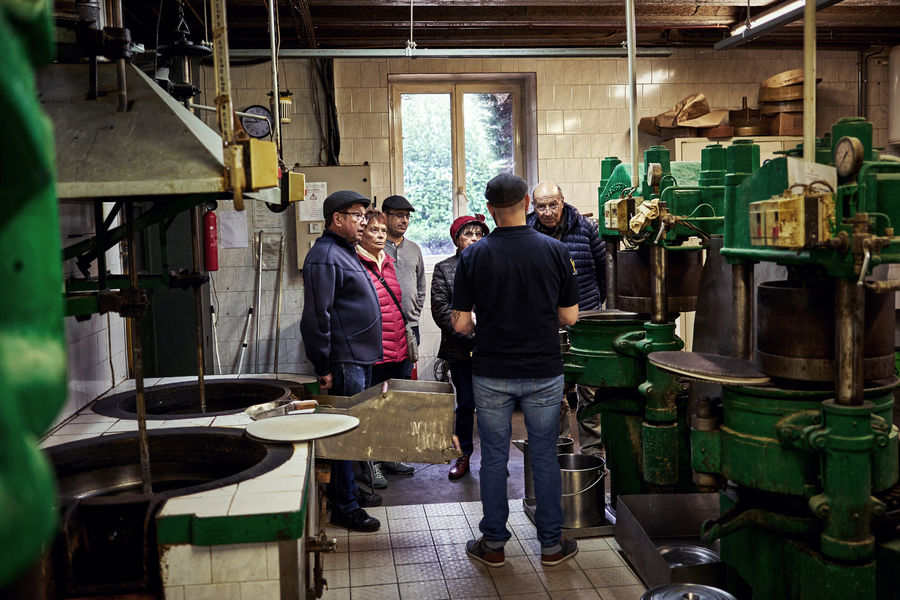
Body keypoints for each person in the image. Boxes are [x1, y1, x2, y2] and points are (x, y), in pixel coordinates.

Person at [452, 173, 580, 567]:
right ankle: (552, 545)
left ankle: (493, 545)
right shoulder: (555, 251)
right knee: (544, 455)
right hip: (543, 369)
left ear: (489, 209)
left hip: (491, 370)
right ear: (527, 203)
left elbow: (459, 324)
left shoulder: (473, 255)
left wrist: (479, 324)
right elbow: (570, 317)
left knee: (492, 457)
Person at [300, 190, 383, 532]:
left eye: (365, 215)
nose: (364, 221)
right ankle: (344, 506)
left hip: (357, 357)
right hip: (344, 360)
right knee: (344, 434)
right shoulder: (324, 256)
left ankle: (347, 490)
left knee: (352, 429)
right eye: (358, 215)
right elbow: (317, 318)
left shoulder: (344, 252)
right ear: (337, 218)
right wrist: (323, 367)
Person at [528, 181, 607, 457]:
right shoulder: (528, 232)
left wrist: (590, 306)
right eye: (541, 206)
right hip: (545, 325)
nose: (548, 211)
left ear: (563, 201)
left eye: (553, 204)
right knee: (554, 391)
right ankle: (560, 448)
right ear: (533, 207)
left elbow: (603, 272)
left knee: (589, 390)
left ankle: (593, 452)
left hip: (584, 322)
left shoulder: (586, 229)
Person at [431, 214, 490, 480]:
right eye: (468, 234)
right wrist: (471, 327)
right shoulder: (444, 269)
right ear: (457, 239)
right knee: (465, 405)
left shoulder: (495, 264)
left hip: (492, 350)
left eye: (480, 234)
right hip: (459, 350)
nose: (475, 239)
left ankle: (492, 459)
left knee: (493, 406)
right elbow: (441, 310)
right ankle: (463, 455)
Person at [356, 209, 410, 490]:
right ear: (361, 233)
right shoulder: (356, 263)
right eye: (373, 231)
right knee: (371, 409)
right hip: (373, 350)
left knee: (392, 407)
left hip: (397, 347)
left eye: (382, 231)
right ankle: (370, 462)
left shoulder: (387, 262)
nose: (379, 235)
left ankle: (389, 456)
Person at [380, 194, 424, 476]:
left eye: (407, 216)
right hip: (382, 330)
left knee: (400, 393)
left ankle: (392, 455)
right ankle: (373, 459)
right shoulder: (373, 244)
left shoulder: (414, 249)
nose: (403, 220)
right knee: (378, 394)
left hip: (409, 328)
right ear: (384, 216)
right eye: (397, 215)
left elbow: (420, 285)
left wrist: (415, 311)